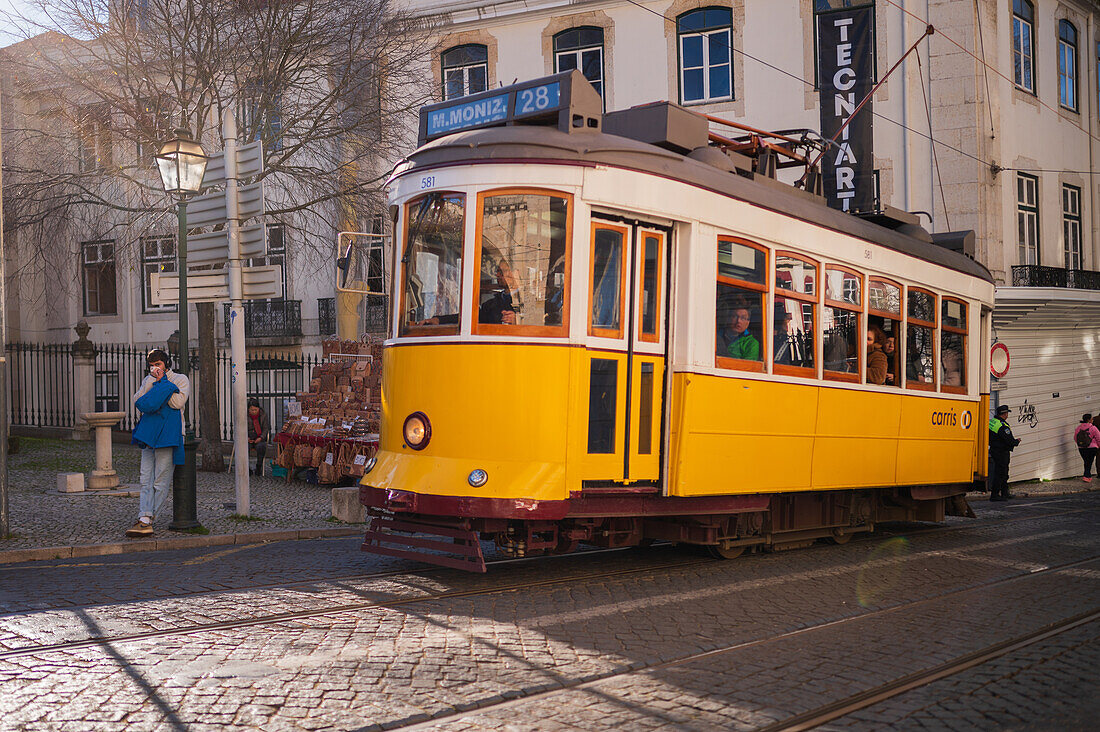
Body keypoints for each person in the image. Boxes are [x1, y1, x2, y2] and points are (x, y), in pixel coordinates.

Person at [126, 348, 190, 537]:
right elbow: (138, 400)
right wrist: (153, 383)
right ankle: (144, 515)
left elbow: (177, 403)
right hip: (150, 434)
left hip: (169, 434)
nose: (155, 368)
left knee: (161, 479)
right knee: (145, 477)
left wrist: (163, 384)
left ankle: (149, 517)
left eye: (158, 365)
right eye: (152, 366)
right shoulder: (148, 380)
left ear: (166, 364)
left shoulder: (180, 379)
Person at [988, 404, 1020, 501]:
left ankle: (1004, 493)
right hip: (1002, 452)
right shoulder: (1002, 426)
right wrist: (1016, 441)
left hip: (994, 450)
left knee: (1001, 472)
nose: (1007, 415)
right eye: (1006, 413)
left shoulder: (992, 422)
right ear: (1004, 414)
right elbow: (1009, 440)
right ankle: (995, 495)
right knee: (1001, 474)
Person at [1072, 414, 1100, 482]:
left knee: (1086, 461)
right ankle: (1086, 476)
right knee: (1089, 462)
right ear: (1089, 420)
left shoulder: (1079, 427)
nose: (1093, 420)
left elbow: (1075, 438)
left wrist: (1080, 444)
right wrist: (1098, 445)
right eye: (1092, 419)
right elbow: (1099, 438)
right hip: (1092, 447)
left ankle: (1087, 476)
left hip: (1081, 448)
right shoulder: (1093, 428)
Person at [247, 399, 271, 476]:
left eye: (255, 410)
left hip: (259, 437)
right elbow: (241, 428)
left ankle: (259, 466)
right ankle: (246, 467)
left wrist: (261, 438)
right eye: (251, 410)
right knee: (244, 448)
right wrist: (246, 438)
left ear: (258, 408)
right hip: (248, 438)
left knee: (261, 447)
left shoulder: (263, 415)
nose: (253, 412)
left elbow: (265, 428)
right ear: (248, 410)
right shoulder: (244, 415)